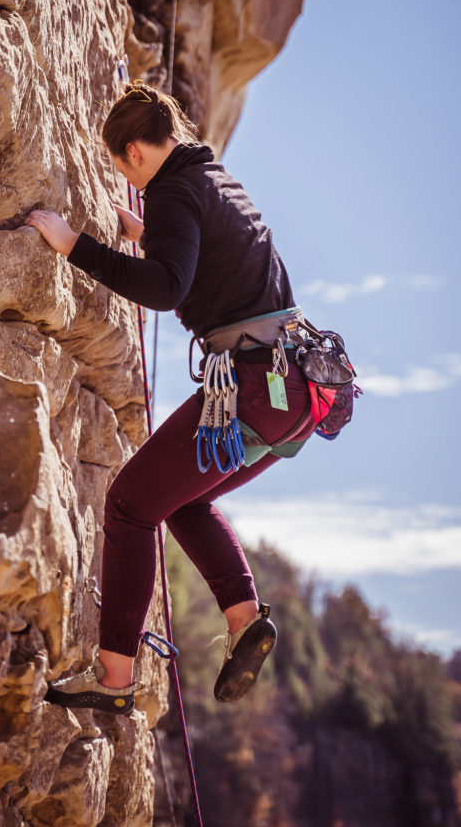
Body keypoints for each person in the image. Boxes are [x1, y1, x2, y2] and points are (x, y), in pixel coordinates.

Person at [26, 81, 318, 715]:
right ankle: (246, 621)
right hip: (294, 392)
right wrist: (147, 234)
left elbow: (164, 288)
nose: (130, 185)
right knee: (183, 503)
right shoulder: (215, 179)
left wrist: (75, 245)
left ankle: (113, 679)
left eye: (121, 169)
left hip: (252, 388)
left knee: (129, 504)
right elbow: (209, 267)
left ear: (132, 151)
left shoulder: (173, 193)